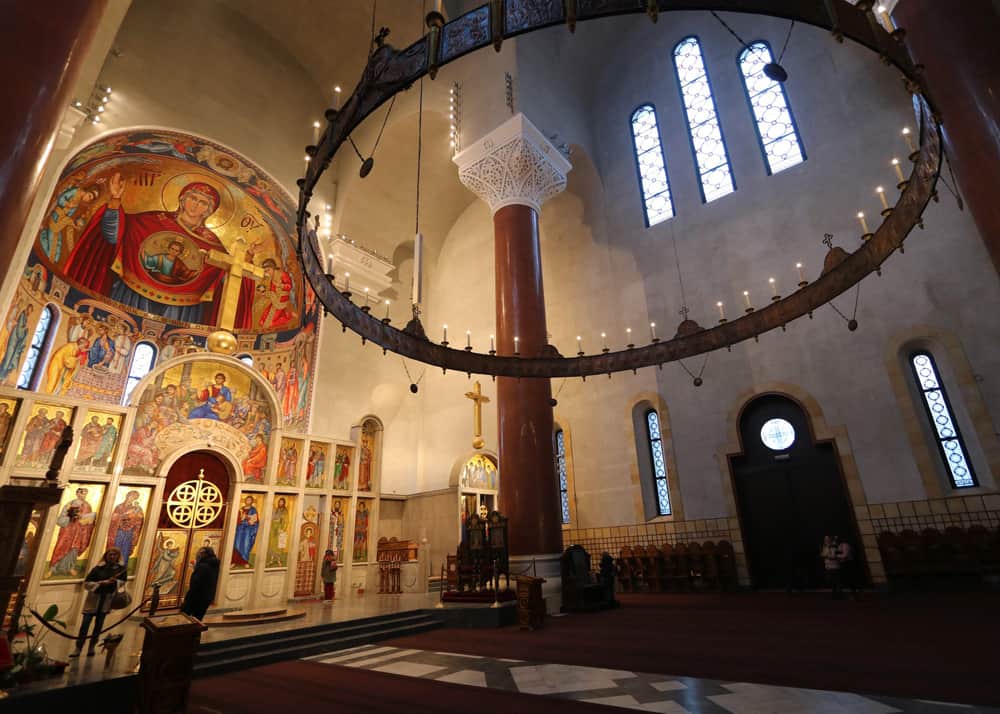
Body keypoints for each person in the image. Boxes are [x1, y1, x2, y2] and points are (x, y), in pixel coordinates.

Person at [62, 174, 256, 327]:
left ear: (209, 210)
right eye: (193, 198)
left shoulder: (213, 243)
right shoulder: (150, 220)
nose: (196, 205)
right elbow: (113, 236)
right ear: (182, 199)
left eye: (203, 202)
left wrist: (244, 262)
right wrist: (115, 200)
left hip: (183, 306)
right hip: (133, 291)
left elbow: (223, 277)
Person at [71, 547, 126, 657]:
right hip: (94, 599)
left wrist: (116, 582)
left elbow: (123, 582)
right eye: (110, 554)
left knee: (99, 625)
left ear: (118, 556)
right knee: (85, 624)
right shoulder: (98, 568)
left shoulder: (120, 569)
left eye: (114, 555)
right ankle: (78, 647)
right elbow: (87, 583)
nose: (112, 557)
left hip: (106, 600)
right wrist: (100, 583)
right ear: (106, 556)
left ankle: (92, 647)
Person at [180, 546, 220, 620]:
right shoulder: (215, 564)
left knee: (185, 619)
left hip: (197, 598)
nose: (198, 555)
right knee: (198, 619)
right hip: (207, 597)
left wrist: (188, 599)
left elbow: (196, 584)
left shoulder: (203, 566)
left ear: (204, 554)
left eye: (200, 553)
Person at [821, 535, 842, 599]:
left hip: (834, 566)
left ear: (830, 539)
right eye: (825, 539)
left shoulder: (834, 546)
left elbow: (834, 555)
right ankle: (835, 594)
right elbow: (823, 554)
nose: (825, 540)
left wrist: (827, 556)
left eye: (827, 539)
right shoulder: (825, 546)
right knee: (831, 581)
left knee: (836, 581)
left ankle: (838, 595)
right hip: (828, 566)